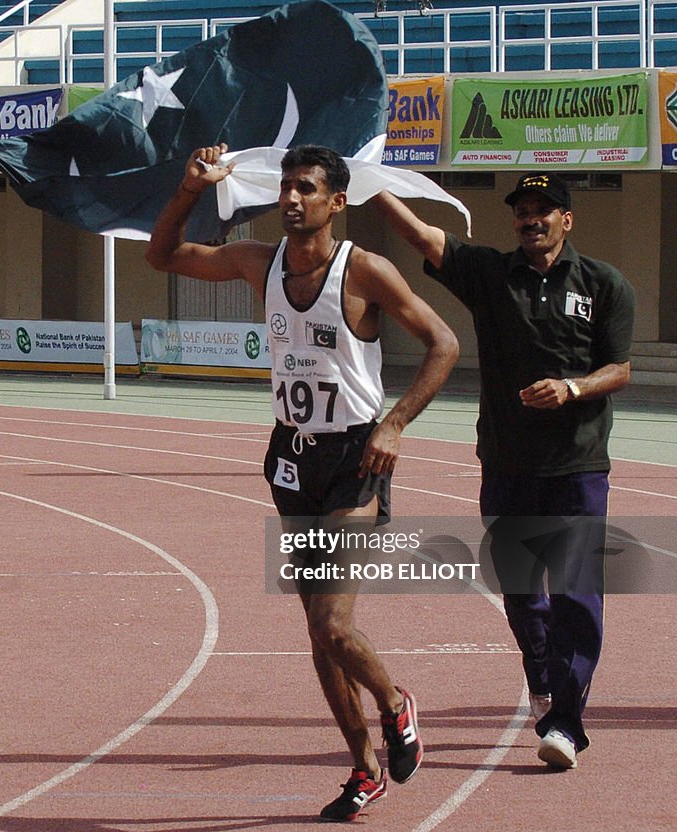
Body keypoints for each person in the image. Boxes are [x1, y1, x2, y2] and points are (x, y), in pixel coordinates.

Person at [146, 144, 458, 821]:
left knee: (333, 626)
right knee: (316, 635)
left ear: (336, 202)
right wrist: (187, 190)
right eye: (286, 186)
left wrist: (395, 423)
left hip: (353, 457)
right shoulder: (258, 261)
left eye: (307, 188)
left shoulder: (364, 271)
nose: (291, 198)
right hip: (291, 456)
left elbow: (444, 343)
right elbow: (162, 256)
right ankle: (363, 767)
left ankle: (396, 705)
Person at [373, 173, 635, 770]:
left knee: (578, 594)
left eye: (545, 210)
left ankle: (565, 721)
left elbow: (618, 368)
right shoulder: (491, 274)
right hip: (507, 463)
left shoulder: (603, 284)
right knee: (520, 591)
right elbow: (420, 236)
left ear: (567, 220)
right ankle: (540, 667)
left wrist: (572, 388)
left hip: (578, 465)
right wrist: (366, 181)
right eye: (523, 211)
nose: (532, 219)